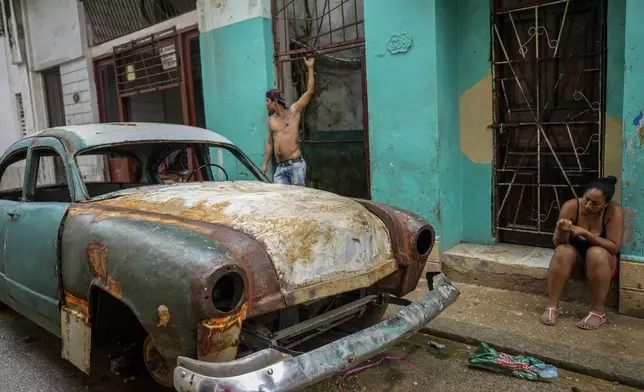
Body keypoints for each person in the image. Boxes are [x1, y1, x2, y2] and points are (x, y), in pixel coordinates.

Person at [540, 176, 624, 330]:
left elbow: (614, 247)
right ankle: (552, 306)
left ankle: (598, 311)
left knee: (596, 252)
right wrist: (562, 230)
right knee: (562, 251)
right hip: (577, 261)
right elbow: (557, 242)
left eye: (595, 203)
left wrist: (586, 234)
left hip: (603, 263)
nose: (588, 205)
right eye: (586, 199)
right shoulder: (572, 206)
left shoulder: (614, 211)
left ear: (606, 203)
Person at [261, 56, 315, 186]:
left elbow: (310, 91)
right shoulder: (271, 120)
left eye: (267, 101)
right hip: (280, 168)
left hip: (295, 164)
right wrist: (265, 164)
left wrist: (310, 67)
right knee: (281, 199)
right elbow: (269, 143)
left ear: (275, 101)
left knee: (297, 201)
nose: (265, 104)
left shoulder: (293, 111)